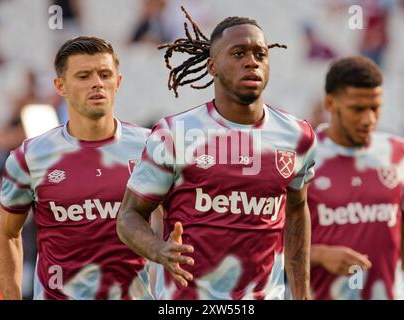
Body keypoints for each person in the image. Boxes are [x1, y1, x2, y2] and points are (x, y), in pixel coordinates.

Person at [117, 7, 316, 300]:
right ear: (212, 66)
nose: (251, 62)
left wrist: (301, 295)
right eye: (238, 54)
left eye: (260, 54)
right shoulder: (176, 133)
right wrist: (158, 249)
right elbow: (129, 215)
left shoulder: (297, 136)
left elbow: (297, 211)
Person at [0, 36, 156, 300]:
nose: (97, 83)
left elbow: (182, 225)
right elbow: (8, 233)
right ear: (61, 86)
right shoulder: (30, 156)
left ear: (118, 82)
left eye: (105, 74)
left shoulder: (151, 148)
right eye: (83, 76)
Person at [308, 56, 404, 300]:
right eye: (357, 109)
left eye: (375, 107)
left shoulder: (400, 154)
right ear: (331, 103)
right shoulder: (301, 157)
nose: (369, 119)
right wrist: (319, 254)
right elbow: (270, 244)